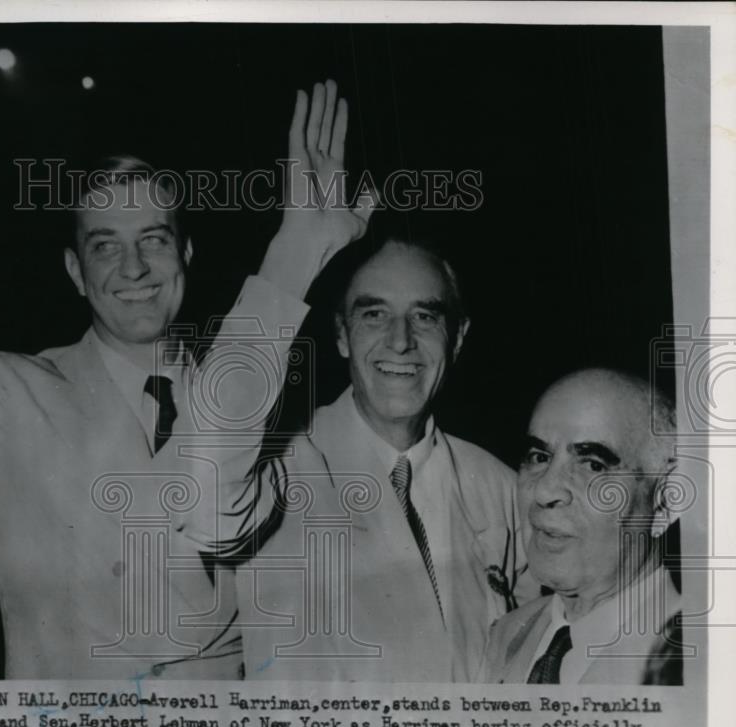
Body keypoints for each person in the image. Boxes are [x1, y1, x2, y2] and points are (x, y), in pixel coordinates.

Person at [0, 27, 375, 678]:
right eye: (105, 246)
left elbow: (213, 504)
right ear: (73, 270)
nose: (135, 268)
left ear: (187, 254)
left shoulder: (259, 407)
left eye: (154, 238)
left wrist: (298, 249)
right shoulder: (6, 398)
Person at [233, 232, 536, 682]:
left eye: (425, 316)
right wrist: (298, 242)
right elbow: (203, 471)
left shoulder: (502, 488)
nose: (401, 341)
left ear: (457, 339)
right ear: (341, 334)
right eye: (374, 315)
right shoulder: (269, 470)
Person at [479, 368, 683, 685]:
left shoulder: (695, 663)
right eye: (538, 456)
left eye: (592, 465)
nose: (545, 491)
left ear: (666, 502)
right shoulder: (506, 635)